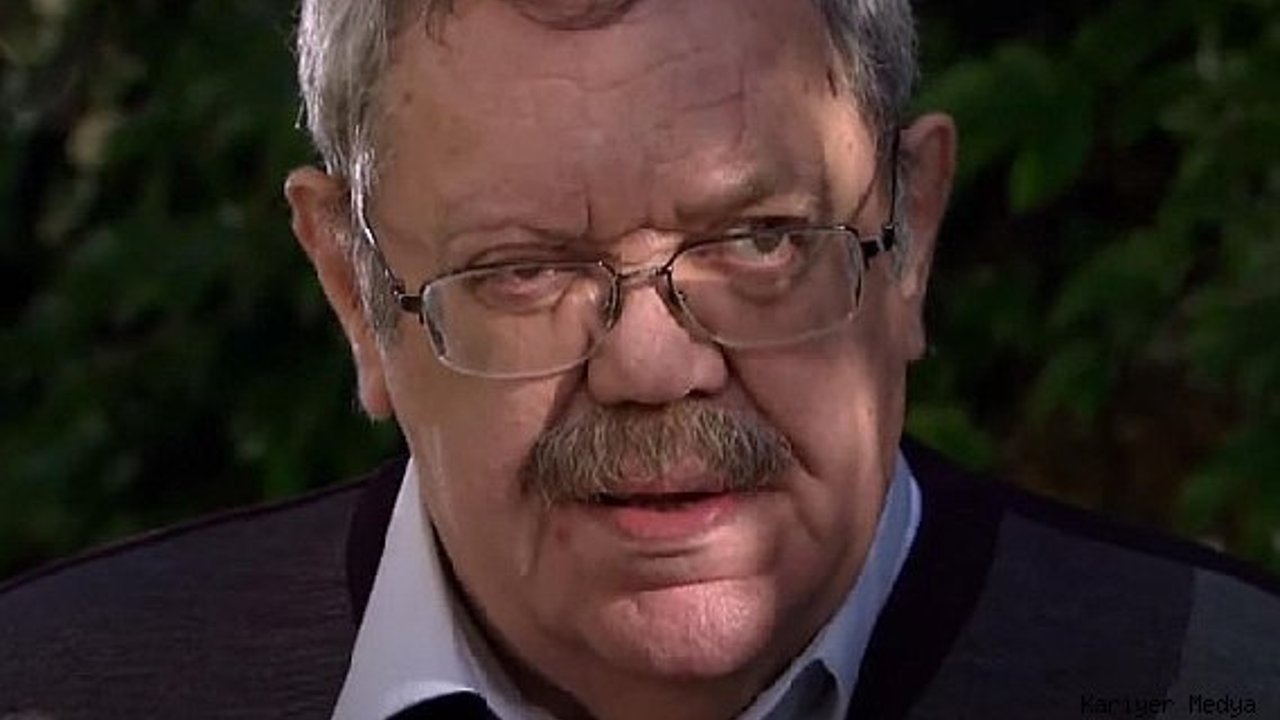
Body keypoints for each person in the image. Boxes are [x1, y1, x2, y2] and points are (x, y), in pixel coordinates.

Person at [2, 0, 1279, 718]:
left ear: (907, 242)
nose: (654, 368)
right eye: (523, 269)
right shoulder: (55, 692)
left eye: (758, 241)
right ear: (354, 292)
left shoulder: (1218, 681)